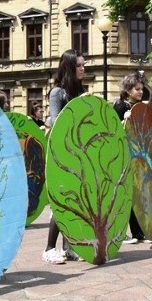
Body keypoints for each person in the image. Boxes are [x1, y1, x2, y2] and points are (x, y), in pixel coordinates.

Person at [42, 49, 86, 264]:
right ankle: (49, 248)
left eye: (83, 65)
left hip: (77, 153)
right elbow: (56, 120)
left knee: (75, 201)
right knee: (62, 200)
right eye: (79, 65)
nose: (83, 68)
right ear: (69, 67)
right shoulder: (57, 93)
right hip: (61, 153)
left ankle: (68, 247)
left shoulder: (79, 92)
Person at [112, 73, 152, 244]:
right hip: (123, 156)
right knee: (125, 195)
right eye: (137, 89)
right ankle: (120, 233)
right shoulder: (120, 106)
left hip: (137, 156)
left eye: (142, 89)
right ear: (128, 90)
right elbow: (113, 130)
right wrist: (124, 120)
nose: (141, 92)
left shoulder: (140, 106)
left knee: (137, 194)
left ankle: (138, 233)